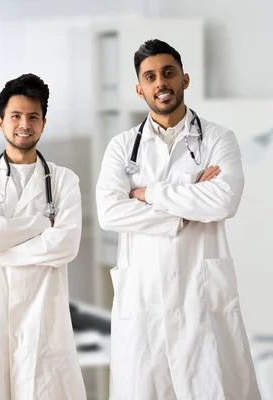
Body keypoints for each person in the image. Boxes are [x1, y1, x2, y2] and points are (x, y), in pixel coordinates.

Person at [96, 39, 261, 400]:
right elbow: (109, 212)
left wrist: (148, 193)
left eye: (168, 73)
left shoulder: (218, 139)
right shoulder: (122, 147)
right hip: (144, 305)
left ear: (185, 79)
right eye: (151, 76)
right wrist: (186, 200)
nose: (161, 83)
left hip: (200, 301)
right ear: (139, 88)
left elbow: (222, 200)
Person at [0, 73, 87, 400]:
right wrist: (40, 225)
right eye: (16, 116)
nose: (24, 124)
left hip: (43, 315)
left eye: (33, 117)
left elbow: (66, 244)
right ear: (1, 121)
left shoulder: (64, 181)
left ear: (43, 123)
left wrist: (1, 251)